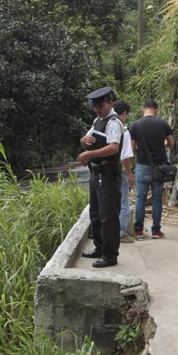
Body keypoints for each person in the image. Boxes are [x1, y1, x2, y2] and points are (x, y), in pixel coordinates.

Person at [78, 86, 124, 268]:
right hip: (96, 173)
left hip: (108, 174)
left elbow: (113, 147)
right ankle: (99, 248)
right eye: (95, 107)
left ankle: (110, 255)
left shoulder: (113, 122)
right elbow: (86, 138)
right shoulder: (98, 120)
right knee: (96, 214)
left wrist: (89, 154)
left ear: (110, 102)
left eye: (100, 106)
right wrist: (84, 141)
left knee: (108, 216)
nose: (97, 110)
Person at [129, 99, 175, 239]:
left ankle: (138, 230)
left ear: (143, 109)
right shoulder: (163, 124)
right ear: (156, 110)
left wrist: (139, 151)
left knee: (140, 198)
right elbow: (172, 143)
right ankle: (156, 231)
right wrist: (162, 146)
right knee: (157, 199)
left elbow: (131, 148)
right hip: (159, 168)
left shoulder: (135, 125)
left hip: (142, 166)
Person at [114, 100, 136, 243]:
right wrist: (130, 174)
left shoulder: (103, 123)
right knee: (123, 203)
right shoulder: (123, 129)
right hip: (120, 172)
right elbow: (125, 157)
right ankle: (121, 233)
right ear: (124, 113)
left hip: (104, 171)